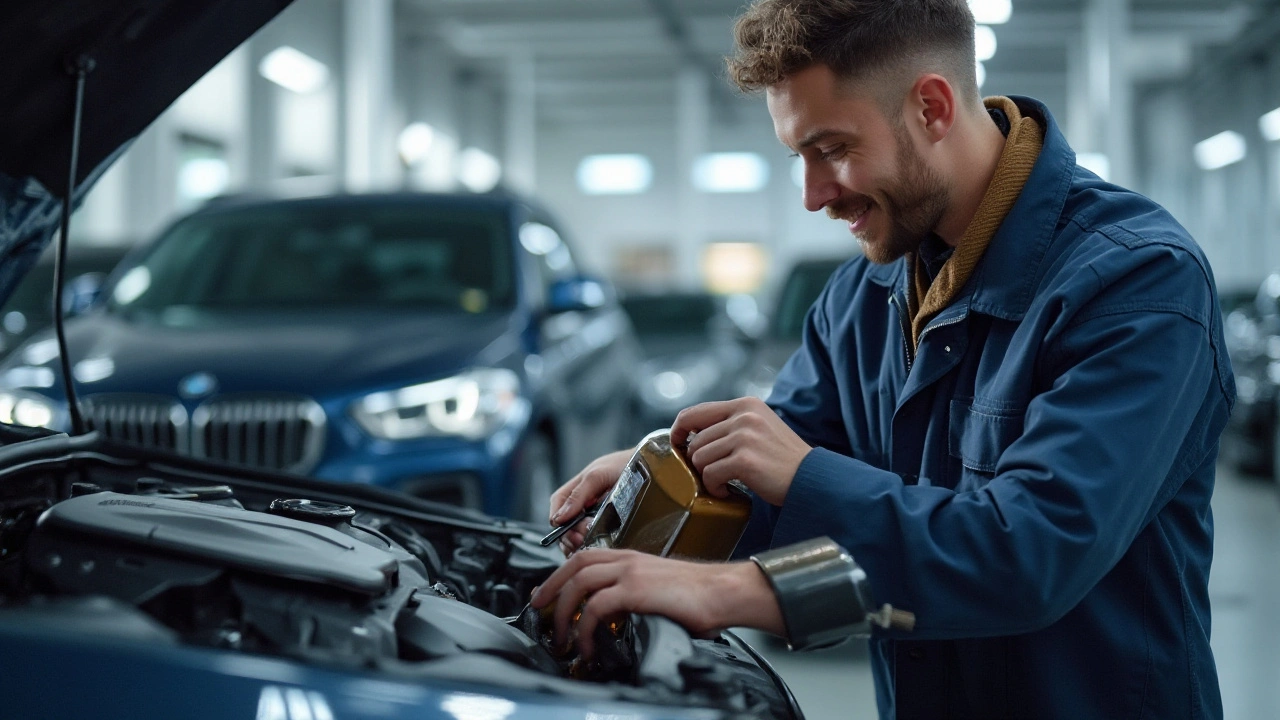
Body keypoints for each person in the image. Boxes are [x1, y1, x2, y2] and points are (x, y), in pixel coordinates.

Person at [530, 1, 1235, 717]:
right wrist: (672, 484)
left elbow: (1028, 555)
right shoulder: (861, 297)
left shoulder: (1137, 283)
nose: (811, 196)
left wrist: (730, 592)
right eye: (797, 156)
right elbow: (796, 497)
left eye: (831, 148)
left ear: (931, 106)